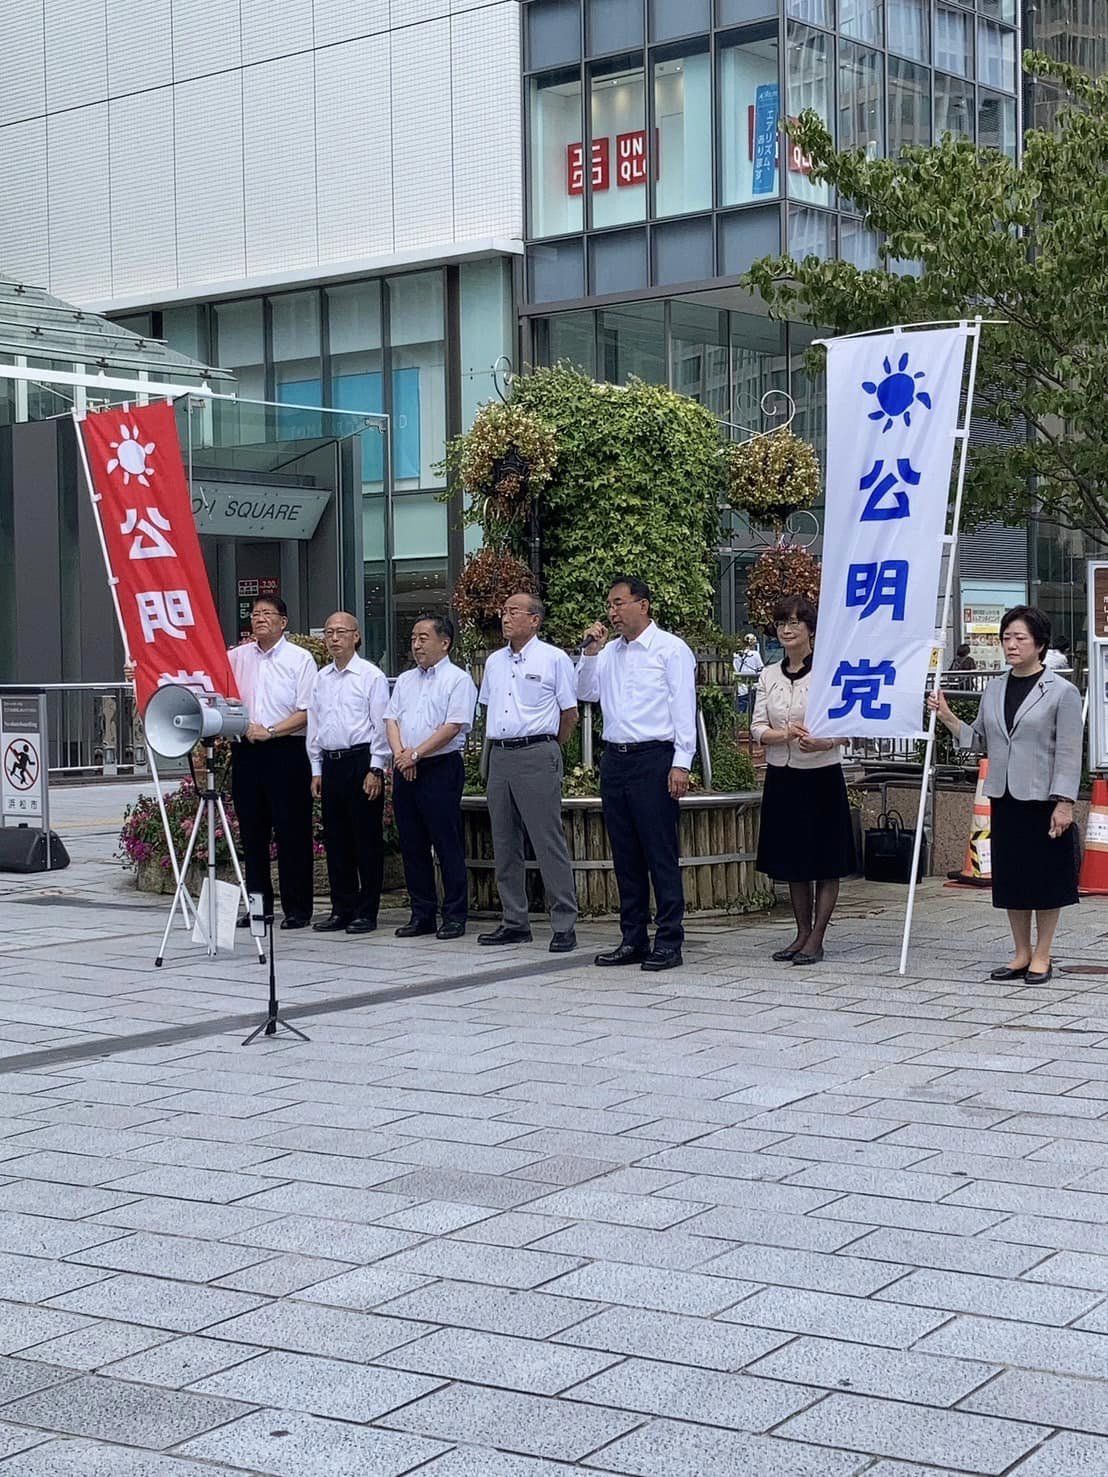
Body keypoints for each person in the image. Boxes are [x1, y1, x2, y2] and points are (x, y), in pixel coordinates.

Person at [930, 604, 1083, 984]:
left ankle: (1043, 955)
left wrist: (1065, 802)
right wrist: (948, 715)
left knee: (1046, 879)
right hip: (1005, 796)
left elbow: (1068, 751)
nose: (1011, 645)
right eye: (1006, 638)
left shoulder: (1062, 691)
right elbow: (981, 739)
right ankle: (1021, 953)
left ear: (1040, 644)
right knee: (1013, 878)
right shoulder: (995, 687)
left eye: (1020, 638)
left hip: (1044, 798)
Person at [578, 576, 696, 971]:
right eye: (609, 605)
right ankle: (633, 937)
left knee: (659, 851)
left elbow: (683, 709)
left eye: (619, 603)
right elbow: (586, 692)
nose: (612, 612)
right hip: (616, 758)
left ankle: (669, 939)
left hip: (654, 758)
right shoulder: (608, 652)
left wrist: (682, 762)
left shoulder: (671, 650)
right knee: (625, 853)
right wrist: (590, 653)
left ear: (643, 605)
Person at [751, 594, 856, 966]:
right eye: (782, 623)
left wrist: (826, 740)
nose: (787, 629)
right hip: (783, 775)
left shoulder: (829, 672)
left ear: (811, 629)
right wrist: (784, 736)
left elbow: (850, 725)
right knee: (794, 860)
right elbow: (757, 727)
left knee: (825, 859)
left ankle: (817, 937)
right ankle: (800, 932)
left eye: (795, 622)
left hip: (822, 774)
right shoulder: (768, 675)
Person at [477, 592, 580, 953]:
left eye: (514, 612)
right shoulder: (494, 662)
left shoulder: (553, 659)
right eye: (503, 611)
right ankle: (514, 920)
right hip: (500, 754)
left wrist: (550, 748)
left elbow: (570, 713)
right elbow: (488, 707)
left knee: (547, 840)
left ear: (534, 620)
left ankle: (564, 921)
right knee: (504, 842)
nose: (505, 617)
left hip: (537, 751)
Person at [227, 596, 318, 929]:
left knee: (292, 830)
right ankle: (258, 906)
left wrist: (271, 731)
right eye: (255, 614)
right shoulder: (235, 657)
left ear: (283, 621)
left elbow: (308, 711)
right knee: (252, 832)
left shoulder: (300, 659)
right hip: (246, 752)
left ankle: (297, 908)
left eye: (267, 613)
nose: (260, 619)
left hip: (286, 751)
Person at [385, 614, 477, 940]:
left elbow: (453, 726)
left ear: (445, 642)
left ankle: (453, 915)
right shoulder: (406, 680)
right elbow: (391, 719)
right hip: (405, 768)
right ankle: (421, 913)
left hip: (440, 767)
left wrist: (416, 754)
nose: (417, 643)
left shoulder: (457, 679)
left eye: (424, 637)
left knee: (446, 842)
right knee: (412, 844)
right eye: (413, 637)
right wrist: (401, 755)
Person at [307, 612, 390, 935]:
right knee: (336, 839)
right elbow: (315, 724)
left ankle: (366, 911)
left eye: (341, 632)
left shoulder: (370, 676)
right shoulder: (321, 678)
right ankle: (341, 908)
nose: (334, 638)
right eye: (329, 632)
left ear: (356, 636)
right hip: (331, 762)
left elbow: (381, 725)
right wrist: (316, 767)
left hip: (361, 760)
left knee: (365, 840)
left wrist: (376, 768)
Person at [733, 633, 764, 715]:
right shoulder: (755, 654)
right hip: (753, 686)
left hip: (740, 686)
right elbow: (760, 669)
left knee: (740, 711)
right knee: (753, 712)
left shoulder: (736, 655)